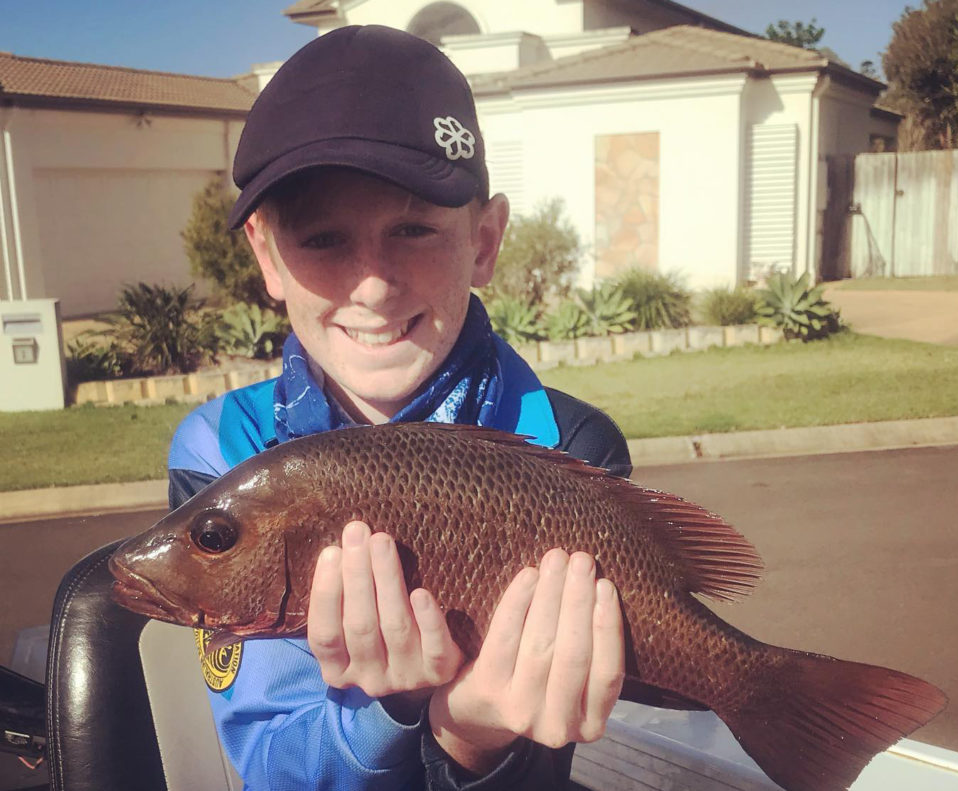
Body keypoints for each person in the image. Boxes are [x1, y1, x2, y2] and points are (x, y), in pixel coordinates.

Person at [167, 24, 631, 790]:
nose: (373, 284)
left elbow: (552, 751)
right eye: (322, 237)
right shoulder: (224, 451)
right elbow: (271, 764)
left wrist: (470, 738)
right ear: (265, 254)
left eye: (414, 229)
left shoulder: (570, 443)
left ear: (484, 240)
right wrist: (385, 715)